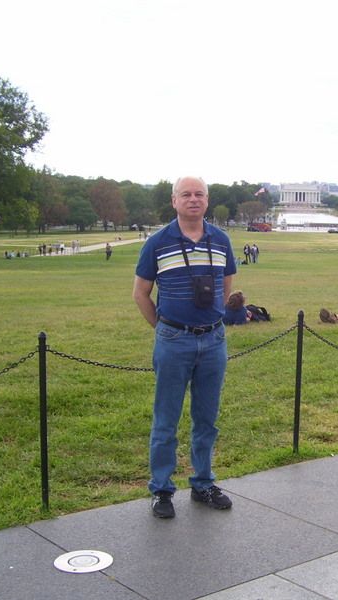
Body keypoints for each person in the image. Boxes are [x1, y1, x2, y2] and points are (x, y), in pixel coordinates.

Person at [133, 175, 237, 519]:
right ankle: (162, 489)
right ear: (174, 201)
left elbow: (225, 287)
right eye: (186, 194)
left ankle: (203, 482)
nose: (193, 199)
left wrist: (211, 321)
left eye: (199, 194)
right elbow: (140, 294)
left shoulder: (220, 240)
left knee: (207, 418)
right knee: (166, 419)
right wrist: (165, 328)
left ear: (207, 200)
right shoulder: (158, 243)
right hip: (174, 340)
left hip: (213, 340)